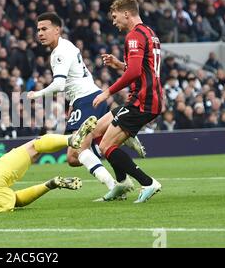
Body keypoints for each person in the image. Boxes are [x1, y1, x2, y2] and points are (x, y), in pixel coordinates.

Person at [27, 12, 145, 196]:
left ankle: (114, 186)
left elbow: (59, 84)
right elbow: (84, 75)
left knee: (74, 156)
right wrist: (74, 102)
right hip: (91, 96)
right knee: (92, 150)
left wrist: (37, 94)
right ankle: (117, 137)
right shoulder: (67, 46)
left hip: (86, 100)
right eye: (38, 30)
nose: (40, 33)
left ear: (57, 30)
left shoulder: (59, 52)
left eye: (44, 29)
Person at [86, 0, 163, 203]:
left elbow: (136, 71)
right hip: (145, 98)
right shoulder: (149, 33)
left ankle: (147, 183)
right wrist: (119, 64)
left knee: (105, 147)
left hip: (142, 100)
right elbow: (141, 68)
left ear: (126, 13)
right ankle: (122, 183)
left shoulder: (133, 36)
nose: (113, 21)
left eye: (115, 16)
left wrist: (107, 92)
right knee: (96, 131)